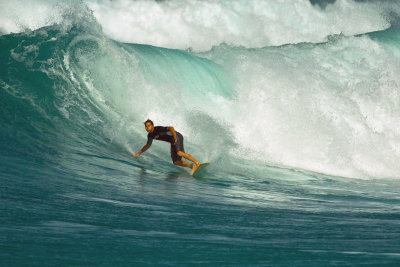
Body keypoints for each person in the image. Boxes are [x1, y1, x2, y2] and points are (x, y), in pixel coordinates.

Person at [133, 119, 201, 174]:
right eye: (146, 126)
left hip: (177, 136)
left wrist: (175, 137)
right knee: (176, 162)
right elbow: (148, 145)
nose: (147, 128)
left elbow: (171, 128)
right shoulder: (150, 136)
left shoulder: (158, 129)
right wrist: (138, 153)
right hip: (172, 141)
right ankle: (192, 166)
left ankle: (197, 163)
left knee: (179, 153)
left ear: (152, 125)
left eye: (149, 126)